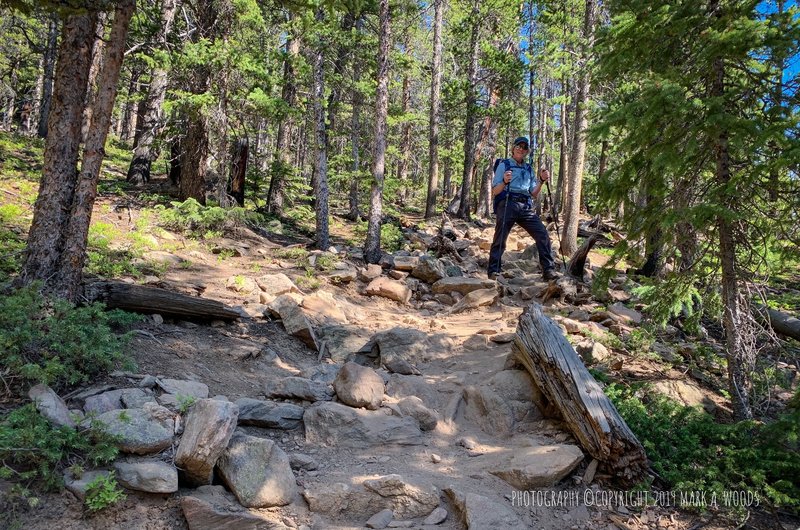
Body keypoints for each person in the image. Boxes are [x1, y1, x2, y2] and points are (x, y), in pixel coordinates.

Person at [487, 136, 559, 281]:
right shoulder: (504, 165)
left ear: (526, 152)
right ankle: (494, 270)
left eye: (524, 147)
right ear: (513, 148)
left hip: (525, 206)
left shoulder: (528, 168)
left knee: (542, 233)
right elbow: (495, 191)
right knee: (500, 237)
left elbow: (533, 192)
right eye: (518, 146)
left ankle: (548, 270)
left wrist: (541, 181)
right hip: (508, 202)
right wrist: (504, 181)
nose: (521, 149)